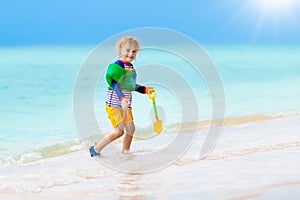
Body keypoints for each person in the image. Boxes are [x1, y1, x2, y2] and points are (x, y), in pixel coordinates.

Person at [89, 36, 154, 157]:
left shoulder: (130, 67)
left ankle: (125, 152)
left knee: (131, 129)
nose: (130, 54)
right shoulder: (117, 66)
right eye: (127, 50)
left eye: (134, 51)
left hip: (126, 106)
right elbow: (115, 84)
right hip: (114, 105)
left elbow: (130, 86)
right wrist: (122, 98)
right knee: (119, 131)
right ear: (120, 51)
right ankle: (95, 149)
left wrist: (144, 89)